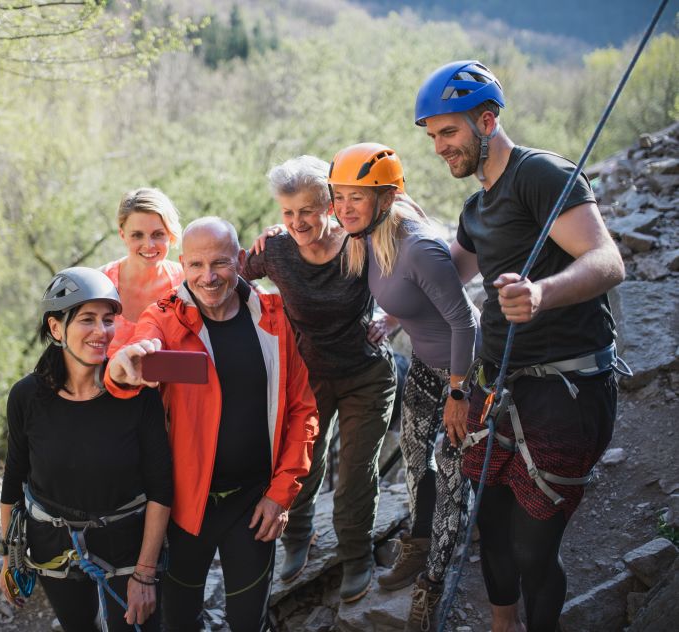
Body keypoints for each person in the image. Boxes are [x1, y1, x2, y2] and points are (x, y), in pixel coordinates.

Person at [415, 60, 626, 632]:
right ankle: (502, 626)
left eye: (449, 132)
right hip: (502, 385)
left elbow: (607, 261)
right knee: (491, 528)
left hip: (567, 387)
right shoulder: (477, 208)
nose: (439, 147)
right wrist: (373, 238)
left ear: (487, 121)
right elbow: (447, 273)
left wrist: (541, 292)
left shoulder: (541, 176)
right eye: (432, 136)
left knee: (533, 547)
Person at [105, 217, 319, 631]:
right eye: (197, 265)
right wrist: (123, 368)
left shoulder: (272, 318)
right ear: (182, 265)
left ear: (239, 260)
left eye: (219, 263)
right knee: (181, 621)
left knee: (247, 622)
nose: (208, 277)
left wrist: (281, 493)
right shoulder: (164, 318)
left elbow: (301, 410)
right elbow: (130, 359)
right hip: (186, 506)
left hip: (254, 501)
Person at [327, 143, 479, 631]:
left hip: (466, 371)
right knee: (416, 460)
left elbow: (464, 323)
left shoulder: (418, 245)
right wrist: (391, 318)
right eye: (339, 197)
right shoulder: (368, 237)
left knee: (452, 474)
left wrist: (460, 395)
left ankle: (434, 585)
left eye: (357, 197)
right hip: (427, 366)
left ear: (387, 198)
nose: (344, 208)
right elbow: (409, 293)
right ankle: (417, 547)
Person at [244, 155, 397, 604]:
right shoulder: (275, 249)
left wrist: (392, 317)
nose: (297, 222)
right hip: (308, 377)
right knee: (301, 465)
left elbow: (420, 274)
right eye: (287, 213)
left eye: (307, 210)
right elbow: (221, 276)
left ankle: (356, 556)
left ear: (329, 204)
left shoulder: (362, 241)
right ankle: (298, 540)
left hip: (366, 374)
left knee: (353, 475)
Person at [0, 267, 173, 632]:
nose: (102, 331)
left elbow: (161, 489)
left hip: (127, 544)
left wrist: (144, 574)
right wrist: (9, 556)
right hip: (53, 544)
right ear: (56, 328)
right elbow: (14, 480)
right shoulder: (27, 397)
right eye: (87, 319)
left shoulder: (137, 395)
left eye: (108, 320)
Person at [100, 187, 184, 354]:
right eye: (137, 235)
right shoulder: (100, 283)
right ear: (123, 235)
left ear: (170, 235)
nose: (149, 245)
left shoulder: (187, 282)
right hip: (108, 379)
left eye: (158, 234)